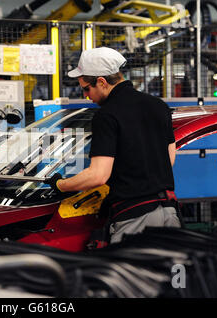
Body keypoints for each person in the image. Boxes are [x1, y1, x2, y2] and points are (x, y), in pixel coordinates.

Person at [46, 47, 181, 245]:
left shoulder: (107, 115)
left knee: (127, 275)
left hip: (135, 220)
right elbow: (169, 158)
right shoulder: (158, 105)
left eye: (86, 88)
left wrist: (60, 185)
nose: (85, 95)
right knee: (169, 274)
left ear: (101, 82)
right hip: (169, 212)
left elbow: (98, 175)